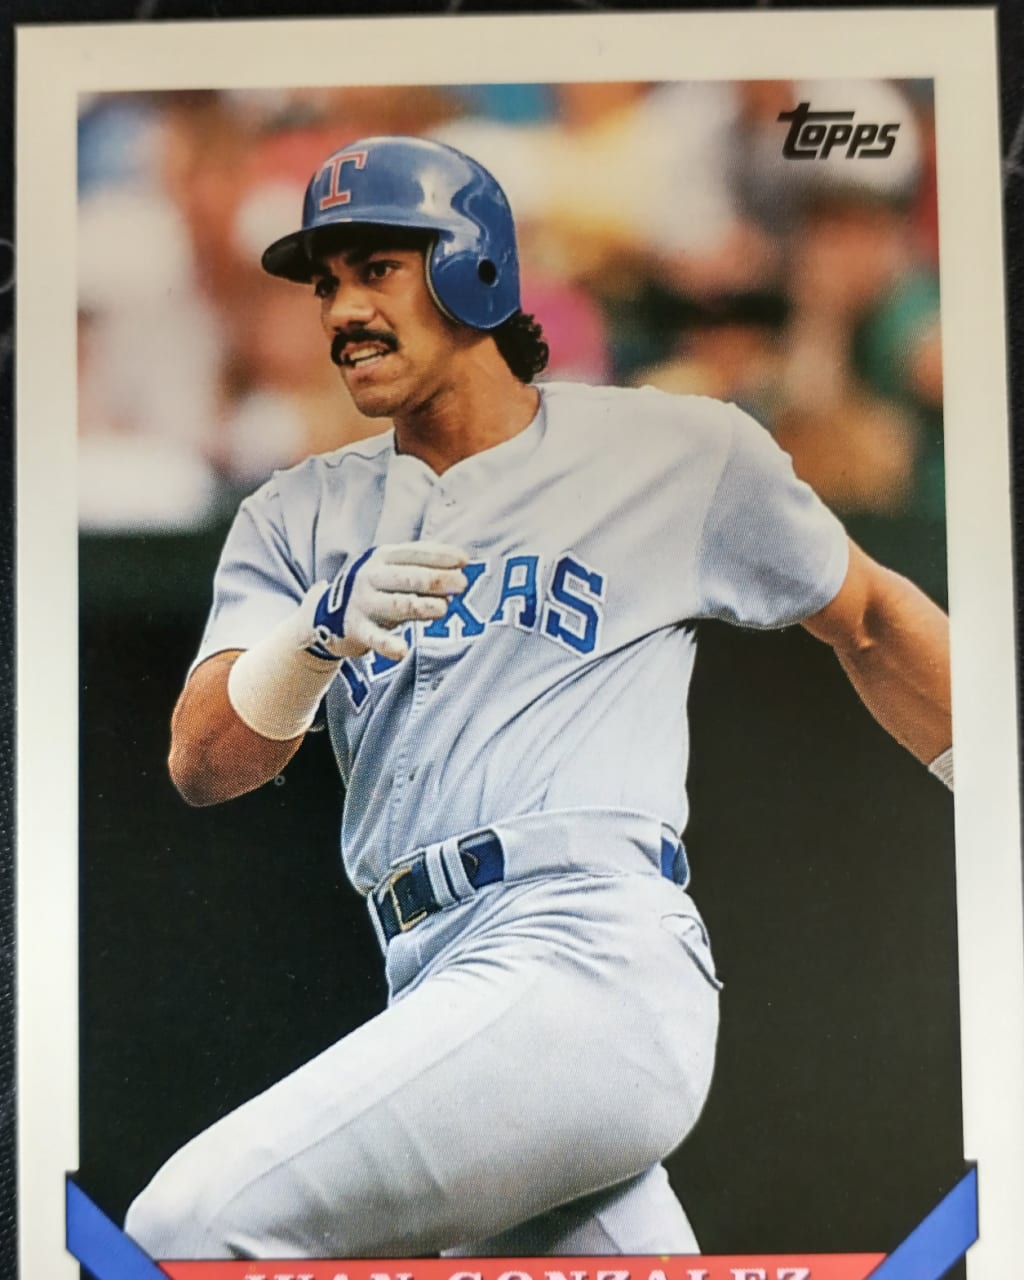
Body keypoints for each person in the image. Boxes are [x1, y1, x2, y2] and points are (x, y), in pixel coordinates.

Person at [124, 135, 953, 1260]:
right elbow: (203, 762)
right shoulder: (294, 514)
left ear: (474, 267)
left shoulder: (669, 449)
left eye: (377, 268)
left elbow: (870, 615)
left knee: (186, 1227)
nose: (341, 310)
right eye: (325, 283)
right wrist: (314, 636)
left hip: (587, 953)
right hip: (439, 982)